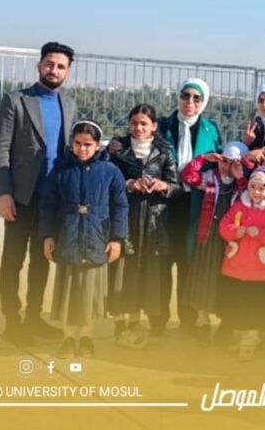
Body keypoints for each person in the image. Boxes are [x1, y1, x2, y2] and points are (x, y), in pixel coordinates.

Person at [0, 41, 78, 345]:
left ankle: (33, 317)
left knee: (42, 260)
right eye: (49, 64)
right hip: (20, 196)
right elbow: (2, 148)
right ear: (39, 65)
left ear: (67, 72)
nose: (54, 70)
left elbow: (73, 147)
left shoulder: (69, 104)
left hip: (51, 199)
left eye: (60, 66)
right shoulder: (16, 100)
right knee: (13, 260)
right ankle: (12, 321)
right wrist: (4, 192)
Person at [39, 120, 128, 358]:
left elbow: (120, 206)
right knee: (69, 291)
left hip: (96, 237)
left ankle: (86, 337)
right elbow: (48, 205)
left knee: (89, 292)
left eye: (88, 144)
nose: (82, 149)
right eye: (78, 143)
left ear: (98, 144)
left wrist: (117, 238)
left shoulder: (110, 171)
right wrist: (48, 235)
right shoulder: (60, 170)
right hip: (67, 235)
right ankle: (69, 337)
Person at [106, 104, 181, 350]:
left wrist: (162, 186)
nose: (138, 128)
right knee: (124, 273)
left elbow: (177, 187)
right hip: (127, 219)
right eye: (134, 123)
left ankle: (157, 324)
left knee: (154, 274)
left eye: (144, 124)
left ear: (154, 126)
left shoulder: (164, 151)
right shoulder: (118, 149)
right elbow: (107, 180)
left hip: (155, 223)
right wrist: (129, 184)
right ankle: (123, 323)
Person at [157, 78, 222, 339]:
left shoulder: (210, 129)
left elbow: (218, 163)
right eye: (186, 96)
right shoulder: (162, 125)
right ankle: (158, 318)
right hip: (164, 204)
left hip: (195, 206)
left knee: (188, 263)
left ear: (204, 102)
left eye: (197, 98)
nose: (190, 102)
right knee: (162, 263)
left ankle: (188, 319)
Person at [179, 141, 249, 347]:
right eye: (224, 161)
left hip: (231, 239)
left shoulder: (243, 184)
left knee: (226, 282)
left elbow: (248, 198)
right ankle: (202, 322)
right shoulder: (211, 177)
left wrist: (240, 176)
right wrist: (204, 158)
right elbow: (188, 176)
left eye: (233, 163)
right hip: (209, 235)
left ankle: (226, 326)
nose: (227, 167)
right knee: (204, 278)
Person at [217, 161, 265, 361]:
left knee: (257, 304)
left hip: (260, 270)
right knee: (238, 302)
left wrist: (262, 234)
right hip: (237, 267)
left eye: (261, 188)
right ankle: (239, 335)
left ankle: (252, 338)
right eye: (253, 187)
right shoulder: (240, 205)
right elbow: (224, 225)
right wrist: (235, 231)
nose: (256, 192)